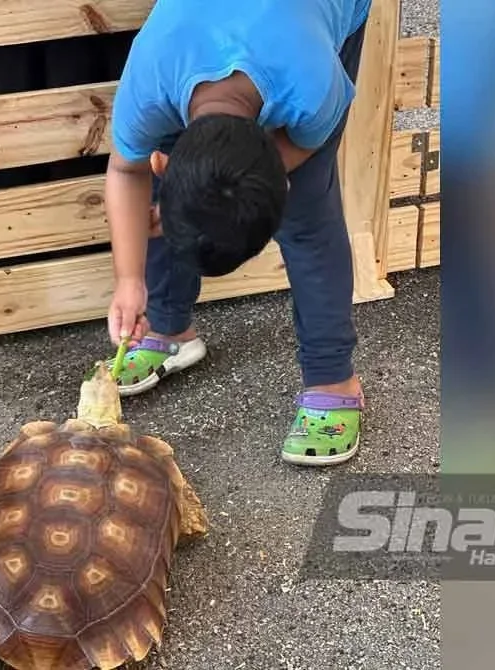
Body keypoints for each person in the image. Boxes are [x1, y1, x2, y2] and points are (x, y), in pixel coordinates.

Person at [98, 0, 372, 466]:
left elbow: (306, 144)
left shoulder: (314, 88)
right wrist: (129, 280)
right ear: (162, 161)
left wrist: (254, 182)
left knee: (309, 222)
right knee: (191, 197)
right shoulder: (150, 85)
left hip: (314, 22)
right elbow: (126, 171)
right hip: (208, 36)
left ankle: (333, 378)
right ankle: (169, 328)